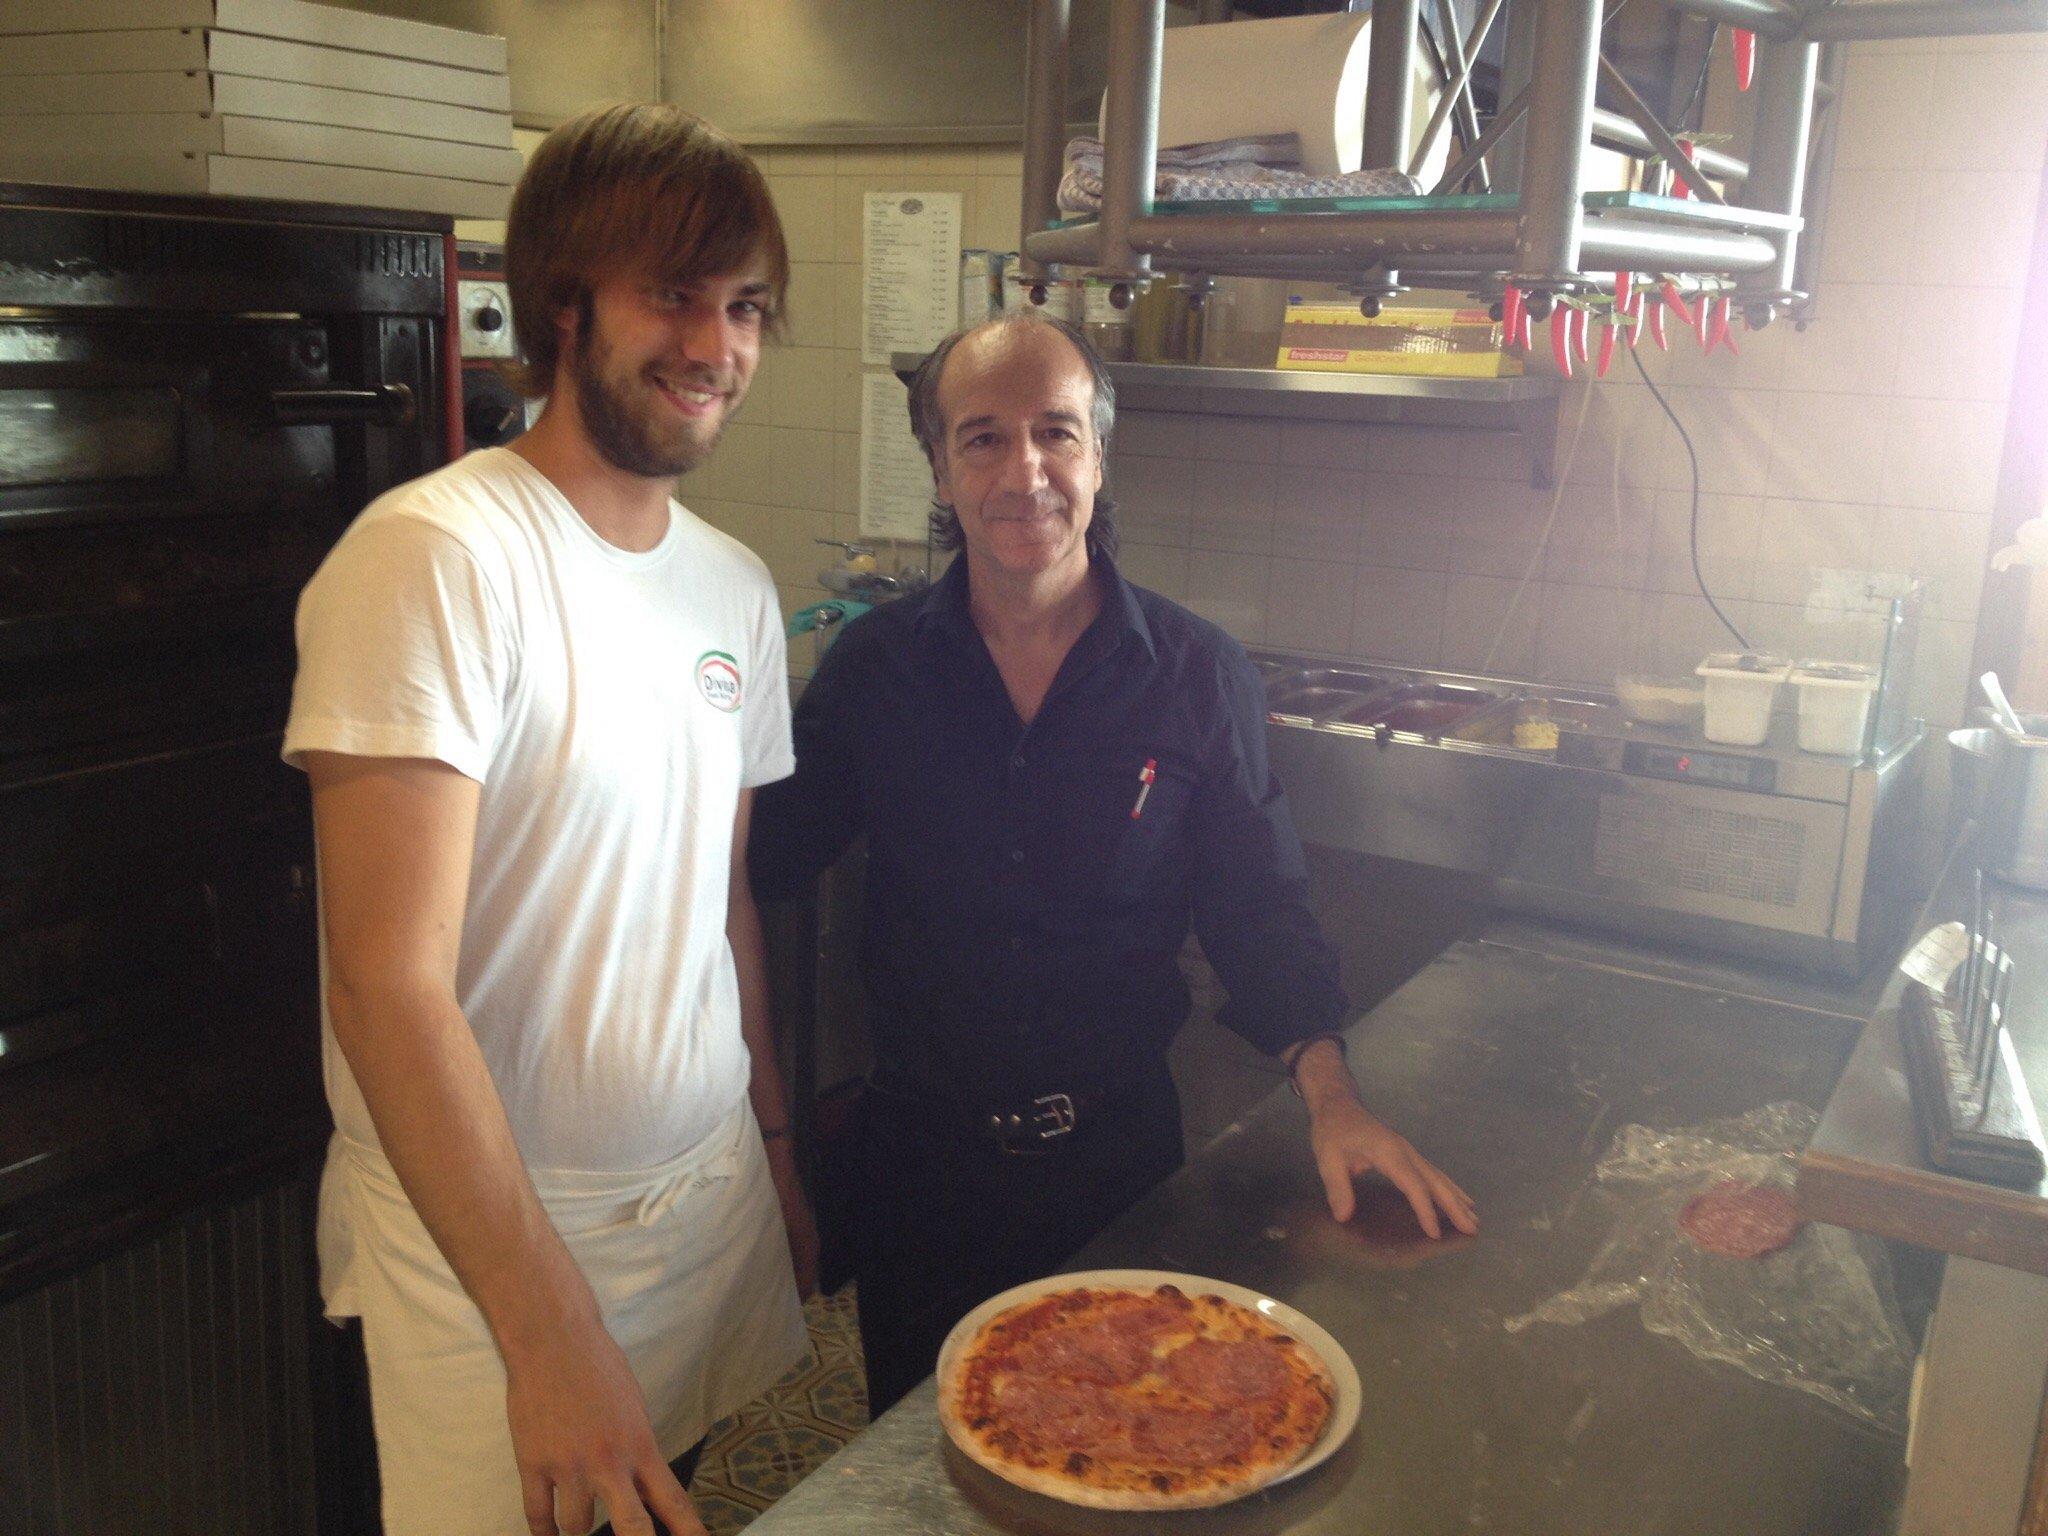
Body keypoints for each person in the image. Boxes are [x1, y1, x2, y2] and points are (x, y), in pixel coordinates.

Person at [749, 310, 1478, 1415]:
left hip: (1117, 1173)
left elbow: (1258, 906)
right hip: (918, 1177)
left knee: (1128, 1440)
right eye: (982, 438)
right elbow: (761, 861)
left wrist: (1333, 1095)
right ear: (940, 471)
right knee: (923, 1462)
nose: (1024, 470)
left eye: (1057, 432)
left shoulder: (1193, 674)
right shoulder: (874, 669)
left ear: (1099, 453)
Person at [283, 104, 815, 1536]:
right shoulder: (439, 559)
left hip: (709, 1213)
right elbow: (382, 983)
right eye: (675, 296)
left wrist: (772, 1154)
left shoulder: (734, 589)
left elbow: (722, 906)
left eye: (746, 306)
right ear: (561, 304)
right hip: (500, 1263)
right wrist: (550, 1334)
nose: (716, 348)